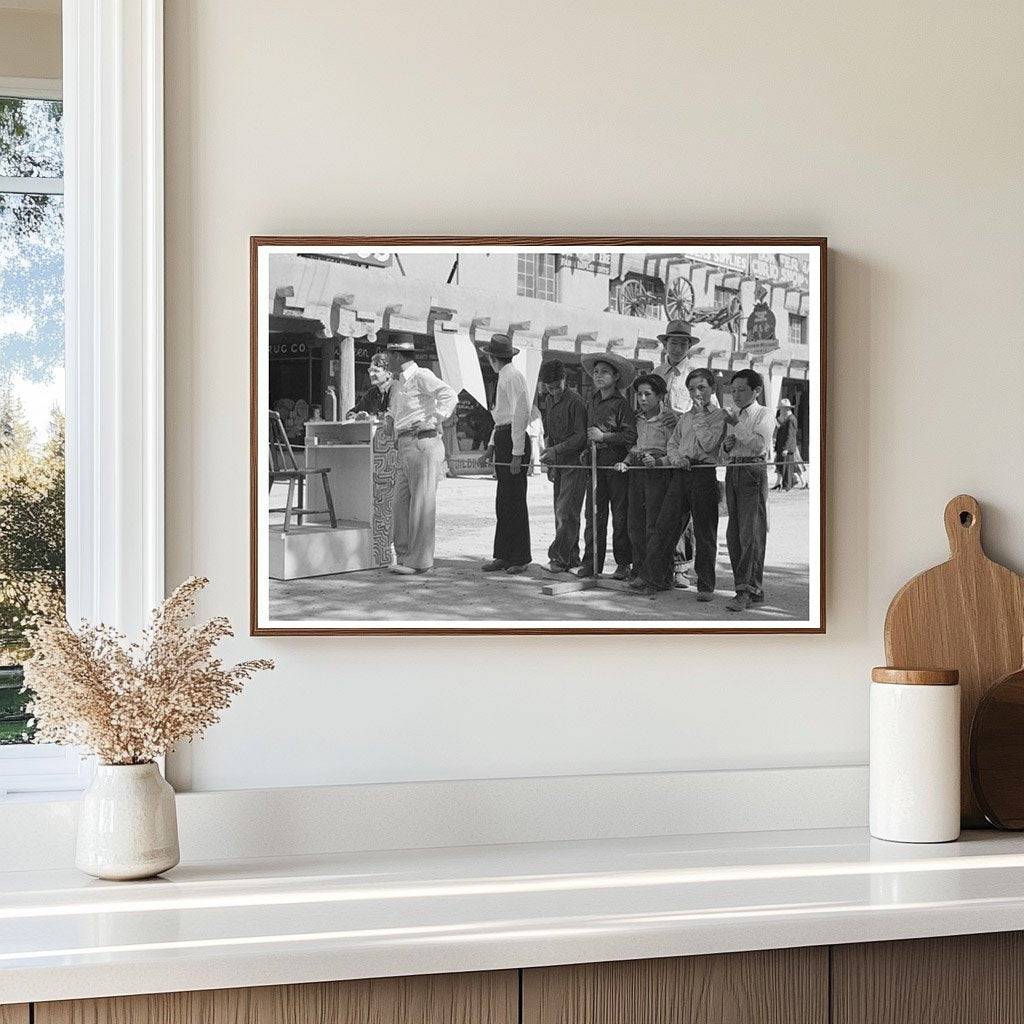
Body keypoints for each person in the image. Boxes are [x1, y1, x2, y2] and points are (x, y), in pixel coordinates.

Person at [632, 368, 727, 600]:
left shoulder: (719, 416)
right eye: (692, 389)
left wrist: (701, 414)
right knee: (664, 527)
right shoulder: (684, 418)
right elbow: (673, 444)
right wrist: (677, 459)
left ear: (712, 389)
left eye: (701, 388)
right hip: (680, 473)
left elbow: (708, 444)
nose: (696, 393)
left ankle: (705, 586)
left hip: (703, 473)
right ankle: (654, 578)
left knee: (705, 532)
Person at [383, 331, 458, 576]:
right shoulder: (398, 382)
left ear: (396, 355)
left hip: (422, 443)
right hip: (405, 444)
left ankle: (420, 561)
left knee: (421, 504)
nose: (386, 359)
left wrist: (434, 420)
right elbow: (399, 409)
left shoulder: (421, 375)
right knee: (400, 503)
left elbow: (449, 395)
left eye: (388, 355)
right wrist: (390, 419)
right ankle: (404, 555)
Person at [654, 319, 705, 589]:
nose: (677, 347)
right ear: (665, 344)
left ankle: (682, 568)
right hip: (659, 448)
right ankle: (660, 565)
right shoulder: (657, 373)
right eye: (672, 342)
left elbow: (708, 412)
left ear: (689, 347)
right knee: (661, 510)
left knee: (684, 512)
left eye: (682, 343)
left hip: (686, 451)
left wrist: (681, 418)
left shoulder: (696, 376)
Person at [578, 351, 637, 580]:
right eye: (595, 372)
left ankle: (623, 564)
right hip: (594, 465)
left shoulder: (622, 405)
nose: (598, 376)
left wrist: (604, 437)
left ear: (616, 376)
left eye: (604, 372)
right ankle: (591, 563)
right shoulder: (592, 401)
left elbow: (630, 436)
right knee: (593, 515)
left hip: (616, 466)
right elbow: (588, 432)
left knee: (620, 516)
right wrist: (587, 449)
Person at [614, 373, 677, 582]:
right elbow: (635, 447)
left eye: (647, 394)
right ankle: (639, 571)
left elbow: (675, 449)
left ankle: (658, 576)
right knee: (635, 524)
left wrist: (658, 461)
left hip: (659, 473)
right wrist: (626, 462)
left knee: (655, 525)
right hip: (637, 471)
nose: (642, 399)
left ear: (660, 396)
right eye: (639, 394)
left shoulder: (669, 420)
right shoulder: (637, 419)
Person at [722, 368, 773, 612]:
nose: (736, 395)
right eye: (733, 391)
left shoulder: (765, 414)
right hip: (733, 470)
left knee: (750, 532)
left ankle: (747, 590)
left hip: (753, 471)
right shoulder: (735, 415)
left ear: (757, 390)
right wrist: (727, 445)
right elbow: (727, 452)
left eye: (742, 390)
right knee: (734, 533)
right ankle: (748, 587)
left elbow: (759, 446)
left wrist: (737, 426)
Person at [480, 334, 532, 573]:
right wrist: (491, 446)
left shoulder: (513, 377)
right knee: (503, 502)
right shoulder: (503, 376)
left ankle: (519, 557)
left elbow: (520, 415)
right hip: (503, 436)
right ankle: (503, 554)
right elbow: (500, 418)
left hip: (513, 439)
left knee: (515, 501)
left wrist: (517, 453)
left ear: (493, 358)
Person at [536, 360, 587, 573]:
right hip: (559, 463)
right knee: (560, 511)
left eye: (557, 386)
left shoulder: (576, 402)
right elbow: (551, 432)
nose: (554, 391)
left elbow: (580, 436)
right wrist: (551, 460)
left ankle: (559, 558)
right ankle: (571, 558)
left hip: (576, 464)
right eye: (550, 388)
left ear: (565, 380)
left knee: (566, 511)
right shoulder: (549, 400)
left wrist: (556, 450)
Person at [345, 351, 392, 419]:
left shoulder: (395, 390)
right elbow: (350, 414)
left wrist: (370, 417)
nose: (371, 374)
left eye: (376, 371)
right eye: (370, 370)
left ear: (388, 373)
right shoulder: (372, 393)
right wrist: (357, 416)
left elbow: (393, 416)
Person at [772, 399, 799, 491]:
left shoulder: (791, 419)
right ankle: (790, 482)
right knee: (782, 467)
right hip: (781, 447)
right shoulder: (786, 419)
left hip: (787, 448)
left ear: (787, 409)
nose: (780, 410)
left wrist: (786, 448)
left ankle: (787, 485)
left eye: (782, 409)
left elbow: (790, 435)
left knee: (787, 468)